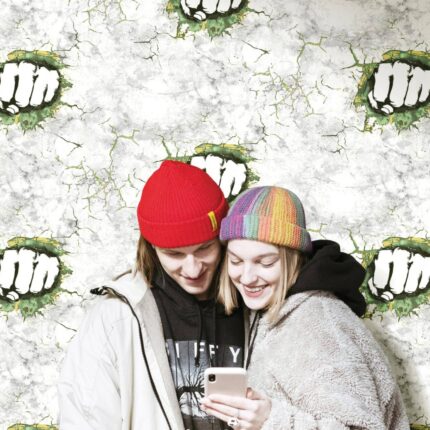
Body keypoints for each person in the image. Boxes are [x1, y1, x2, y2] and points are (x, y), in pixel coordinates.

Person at [200, 186, 409, 430]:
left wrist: (271, 421)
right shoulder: (269, 308)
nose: (246, 277)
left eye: (265, 263)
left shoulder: (318, 323)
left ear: (294, 258)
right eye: (236, 261)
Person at [58, 160, 246, 430]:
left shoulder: (255, 305)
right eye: (175, 254)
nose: (193, 269)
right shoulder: (116, 318)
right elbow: (84, 421)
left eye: (204, 248)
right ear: (151, 247)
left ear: (223, 239)